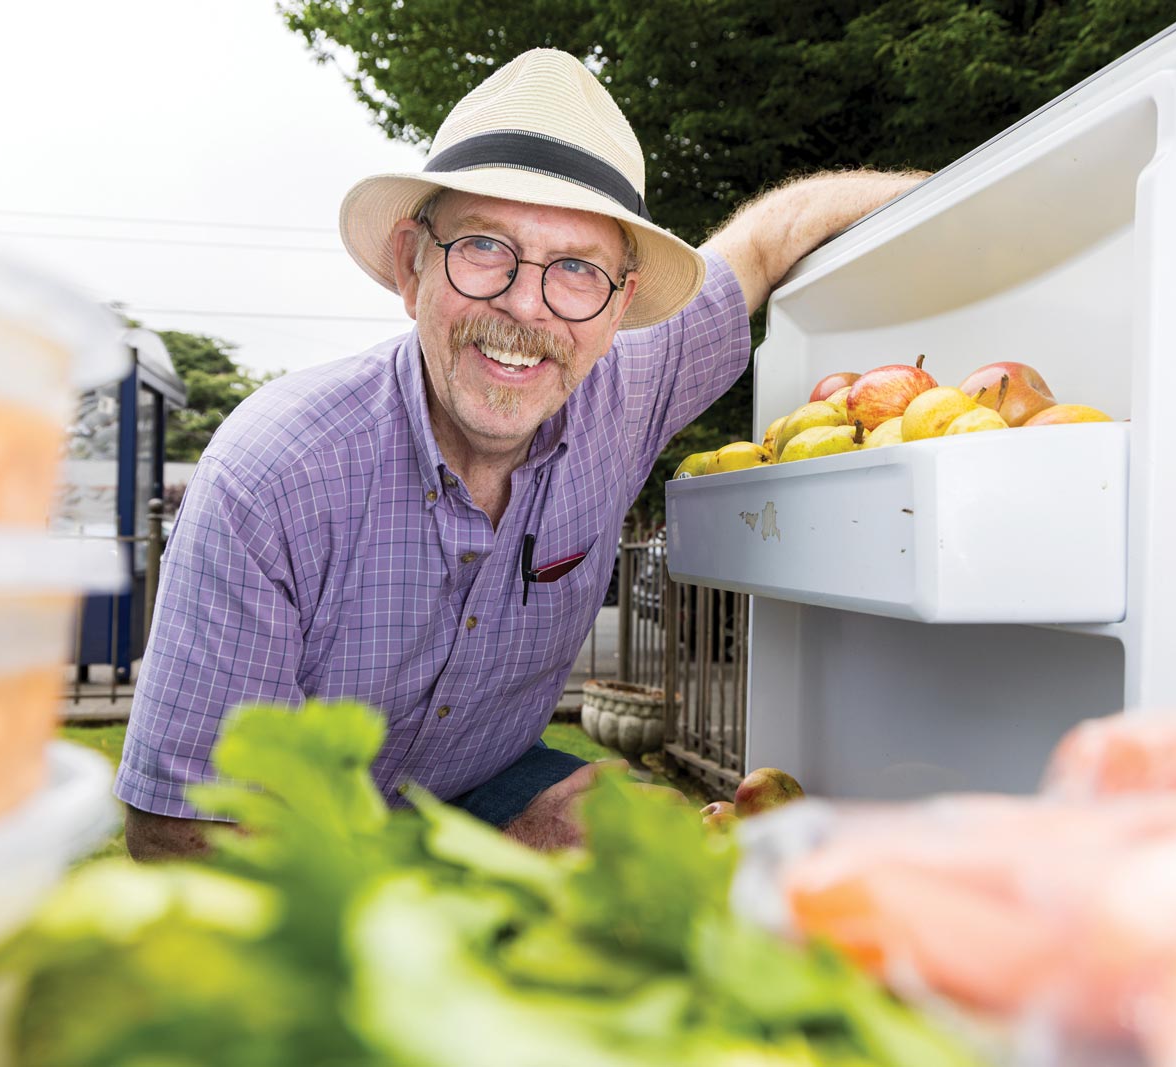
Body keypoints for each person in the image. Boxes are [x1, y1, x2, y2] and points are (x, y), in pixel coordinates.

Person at [118, 48, 924, 859]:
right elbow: (177, 831)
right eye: (483, 248)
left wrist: (1000, 193)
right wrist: (490, 853)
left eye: (575, 267)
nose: (524, 307)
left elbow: (770, 237)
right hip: (306, 846)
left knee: (650, 858)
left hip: (488, 774)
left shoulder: (625, 386)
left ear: (621, 309)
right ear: (411, 266)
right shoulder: (272, 474)